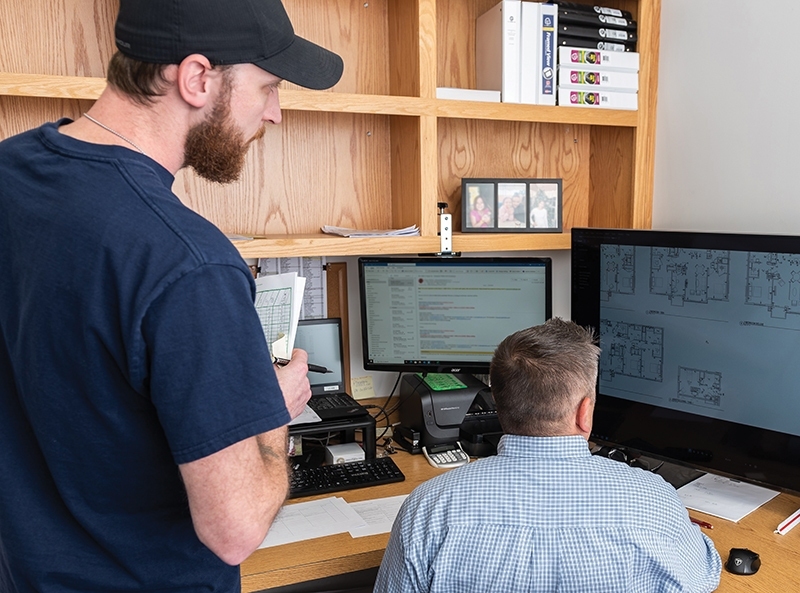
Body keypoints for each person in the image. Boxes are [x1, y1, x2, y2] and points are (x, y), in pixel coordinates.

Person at [0, 1, 343, 592]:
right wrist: (272, 415)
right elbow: (234, 529)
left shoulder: (11, 173)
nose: (276, 113)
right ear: (197, 78)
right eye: (267, 87)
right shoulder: (189, 262)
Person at [375, 318, 721, 593]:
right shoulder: (653, 499)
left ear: (498, 405)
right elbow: (703, 575)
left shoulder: (430, 507)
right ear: (585, 412)